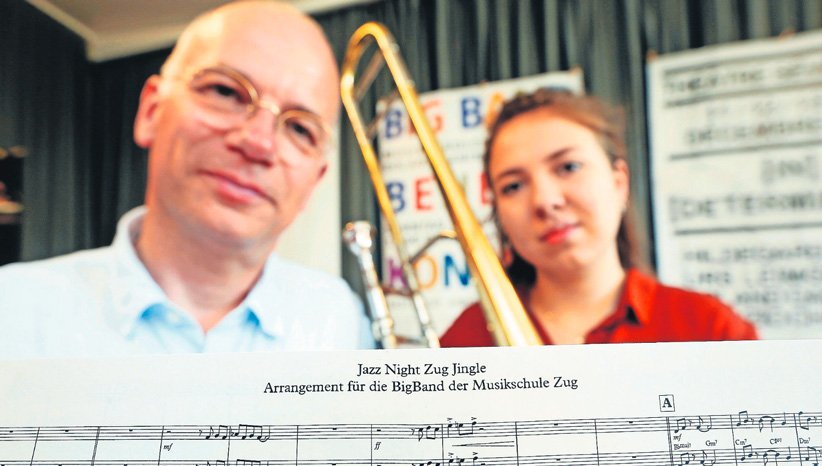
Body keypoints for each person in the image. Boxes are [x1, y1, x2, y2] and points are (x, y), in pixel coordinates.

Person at [0, 1, 375, 358]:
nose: (259, 143)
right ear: (151, 111)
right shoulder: (12, 310)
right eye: (225, 91)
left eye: (300, 129)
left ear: (315, 181)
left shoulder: (342, 321)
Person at [440, 89, 758, 346]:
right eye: (513, 186)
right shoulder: (464, 341)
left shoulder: (711, 330)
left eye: (568, 167)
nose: (545, 201)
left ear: (619, 182)